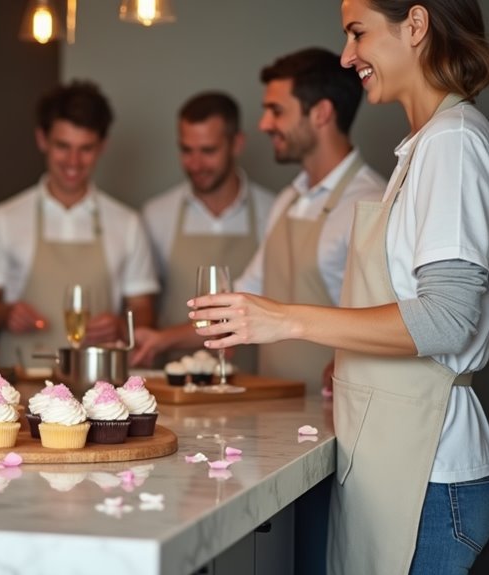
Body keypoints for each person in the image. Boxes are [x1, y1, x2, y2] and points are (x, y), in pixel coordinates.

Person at [191, 1, 489, 572]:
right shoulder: (424, 147)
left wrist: (286, 319)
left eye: (358, 33)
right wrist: (352, 361)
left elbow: (449, 319)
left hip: (428, 468)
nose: (348, 55)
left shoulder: (452, 142)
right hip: (398, 458)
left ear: (417, 25)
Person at [134, 48, 386, 394]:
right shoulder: (287, 201)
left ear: (322, 113)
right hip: (277, 404)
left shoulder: (370, 203)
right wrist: (163, 339)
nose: (264, 124)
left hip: (339, 410)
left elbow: (391, 325)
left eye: (276, 111)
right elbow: (241, 299)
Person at [0, 81, 157, 367]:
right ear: (42, 139)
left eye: (86, 149)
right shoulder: (5, 217)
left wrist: (121, 325)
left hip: (100, 386)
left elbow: (143, 309)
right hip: (20, 381)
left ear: (103, 146)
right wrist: (7, 314)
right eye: (62, 146)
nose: (73, 161)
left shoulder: (128, 223)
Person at [140, 91, 274, 371]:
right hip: (175, 382)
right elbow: (144, 305)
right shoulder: (157, 214)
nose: (196, 164)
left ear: (236, 143)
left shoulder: (273, 211)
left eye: (208, 151)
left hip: (253, 381)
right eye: (187, 150)